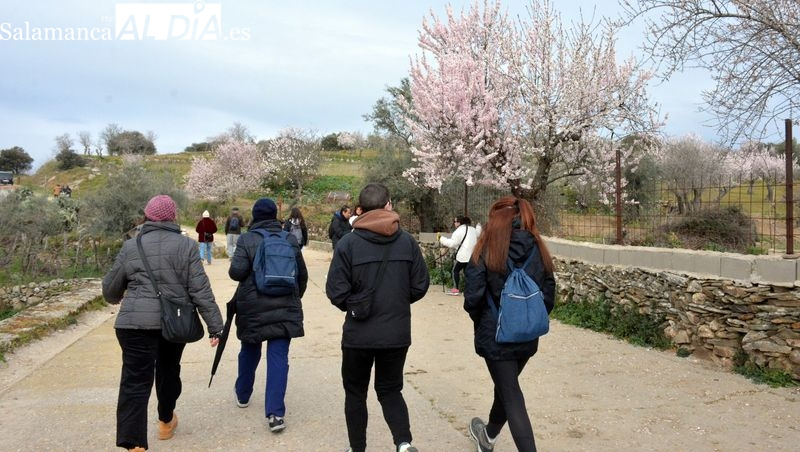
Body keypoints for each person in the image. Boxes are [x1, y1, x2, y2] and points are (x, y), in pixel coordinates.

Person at [102, 194, 224, 452]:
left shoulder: (131, 246)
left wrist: (122, 294)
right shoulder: (186, 246)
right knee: (168, 370)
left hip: (133, 325)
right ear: (173, 217)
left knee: (134, 381)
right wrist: (215, 326)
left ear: (147, 216)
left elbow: (110, 291)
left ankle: (134, 444)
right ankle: (166, 421)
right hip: (173, 322)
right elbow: (200, 290)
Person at [325, 183, 430, 452]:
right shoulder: (407, 242)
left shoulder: (348, 244)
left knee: (355, 393)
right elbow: (420, 285)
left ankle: (357, 448)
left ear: (359, 210)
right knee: (390, 390)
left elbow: (335, 291)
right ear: (388, 206)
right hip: (396, 332)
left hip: (358, 334)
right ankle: (404, 444)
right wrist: (396, 300)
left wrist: (355, 305)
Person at [463, 196, 556, 452]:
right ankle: (488, 435)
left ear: (495, 220)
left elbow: (473, 297)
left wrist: (483, 320)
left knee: (511, 394)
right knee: (506, 387)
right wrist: (529, 319)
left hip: (496, 335)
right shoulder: (538, 248)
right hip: (527, 334)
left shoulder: (486, 248)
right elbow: (549, 292)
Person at [228, 198, 308, 433]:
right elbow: (301, 276)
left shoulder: (247, 239)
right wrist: (293, 299)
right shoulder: (289, 239)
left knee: (249, 351)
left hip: (252, 308)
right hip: (284, 307)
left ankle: (243, 394)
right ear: (274, 216)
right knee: (278, 357)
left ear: (255, 216)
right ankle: (275, 414)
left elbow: (236, 273)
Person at [439, 215, 481, 296]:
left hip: (463, 256)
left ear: (459, 223)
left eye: (455, 222)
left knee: (455, 270)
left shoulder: (458, 231)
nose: (454, 223)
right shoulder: (472, 229)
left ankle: (455, 289)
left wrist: (441, 238)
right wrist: (478, 226)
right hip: (472, 256)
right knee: (467, 273)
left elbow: (452, 243)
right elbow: (478, 233)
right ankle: (469, 290)